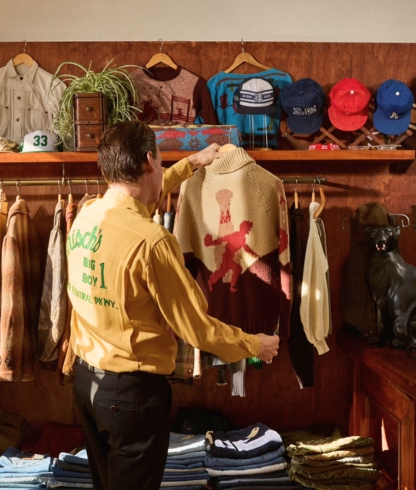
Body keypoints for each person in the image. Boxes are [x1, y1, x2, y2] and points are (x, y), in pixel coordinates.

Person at [66, 120, 280, 490]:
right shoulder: (153, 241)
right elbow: (195, 327)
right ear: (150, 160)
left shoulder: (87, 214)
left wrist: (190, 164)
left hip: (88, 384)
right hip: (130, 395)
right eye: (162, 160)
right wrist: (254, 344)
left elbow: (137, 204)